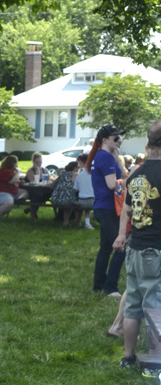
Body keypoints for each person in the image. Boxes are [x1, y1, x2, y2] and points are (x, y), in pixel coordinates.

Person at [112, 120, 161, 369]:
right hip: (156, 250)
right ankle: (155, 363)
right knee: (155, 308)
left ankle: (129, 357)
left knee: (133, 305)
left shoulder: (136, 173)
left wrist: (122, 235)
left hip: (135, 248)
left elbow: (127, 210)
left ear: (148, 143)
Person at [86, 124, 127, 297]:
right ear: (104, 140)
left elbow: (120, 175)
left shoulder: (104, 155)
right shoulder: (104, 157)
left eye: (120, 138)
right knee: (120, 248)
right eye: (115, 138)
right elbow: (113, 185)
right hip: (108, 208)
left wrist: (117, 156)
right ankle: (111, 288)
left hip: (104, 208)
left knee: (105, 248)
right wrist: (128, 183)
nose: (119, 141)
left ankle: (98, 285)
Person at [0, 155, 27, 223]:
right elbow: (12, 181)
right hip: (1, 193)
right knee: (9, 203)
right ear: (12, 163)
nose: (17, 165)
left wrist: (19, 182)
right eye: (16, 163)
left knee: (24, 191)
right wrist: (18, 172)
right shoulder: (3, 171)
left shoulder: (10, 172)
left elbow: (12, 181)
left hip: (12, 192)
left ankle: (19, 199)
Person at [24, 152, 51, 220]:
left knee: (50, 194)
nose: (39, 163)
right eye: (37, 162)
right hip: (32, 191)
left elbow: (49, 180)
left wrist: (48, 182)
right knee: (36, 196)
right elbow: (34, 182)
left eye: (40, 161)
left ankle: (31, 209)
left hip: (44, 190)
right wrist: (38, 170)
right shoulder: (30, 171)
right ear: (33, 162)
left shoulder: (45, 170)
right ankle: (32, 215)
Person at [50, 161, 79, 226]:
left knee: (68, 199)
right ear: (74, 168)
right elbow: (75, 187)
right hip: (67, 199)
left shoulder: (62, 174)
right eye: (78, 167)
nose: (78, 169)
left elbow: (52, 186)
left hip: (55, 199)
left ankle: (63, 219)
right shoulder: (75, 174)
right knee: (72, 201)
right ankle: (67, 221)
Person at [74, 153, 94, 229]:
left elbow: (76, 189)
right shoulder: (94, 173)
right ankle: (87, 223)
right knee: (87, 208)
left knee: (81, 205)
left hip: (81, 200)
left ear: (82, 162)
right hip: (92, 200)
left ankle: (78, 222)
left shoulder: (79, 175)